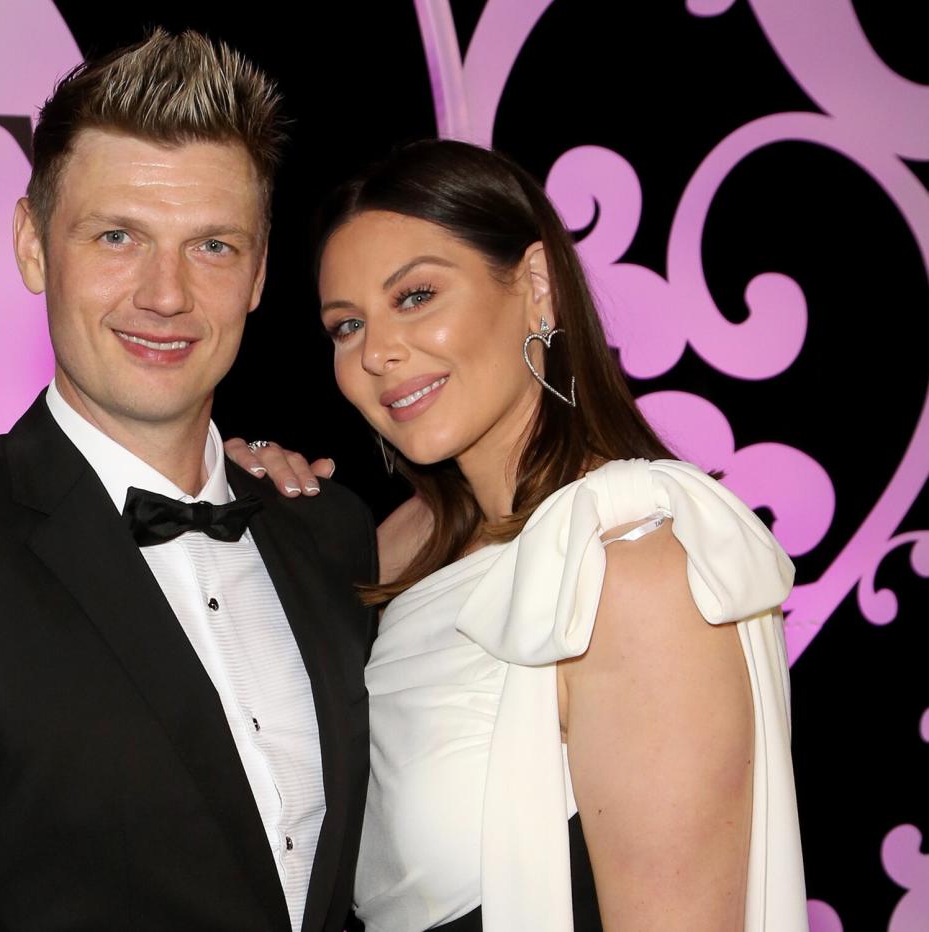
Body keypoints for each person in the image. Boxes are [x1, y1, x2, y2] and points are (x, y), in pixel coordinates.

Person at [0, 30, 376, 932]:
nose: (166, 294)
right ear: (34, 245)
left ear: (259, 272)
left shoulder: (328, 534)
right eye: (117, 237)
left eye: (213, 246)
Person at [228, 139, 807, 931]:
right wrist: (227, 501)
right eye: (346, 325)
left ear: (535, 286)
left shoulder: (632, 565)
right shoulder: (392, 544)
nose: (378, 352)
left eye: (417, 295)